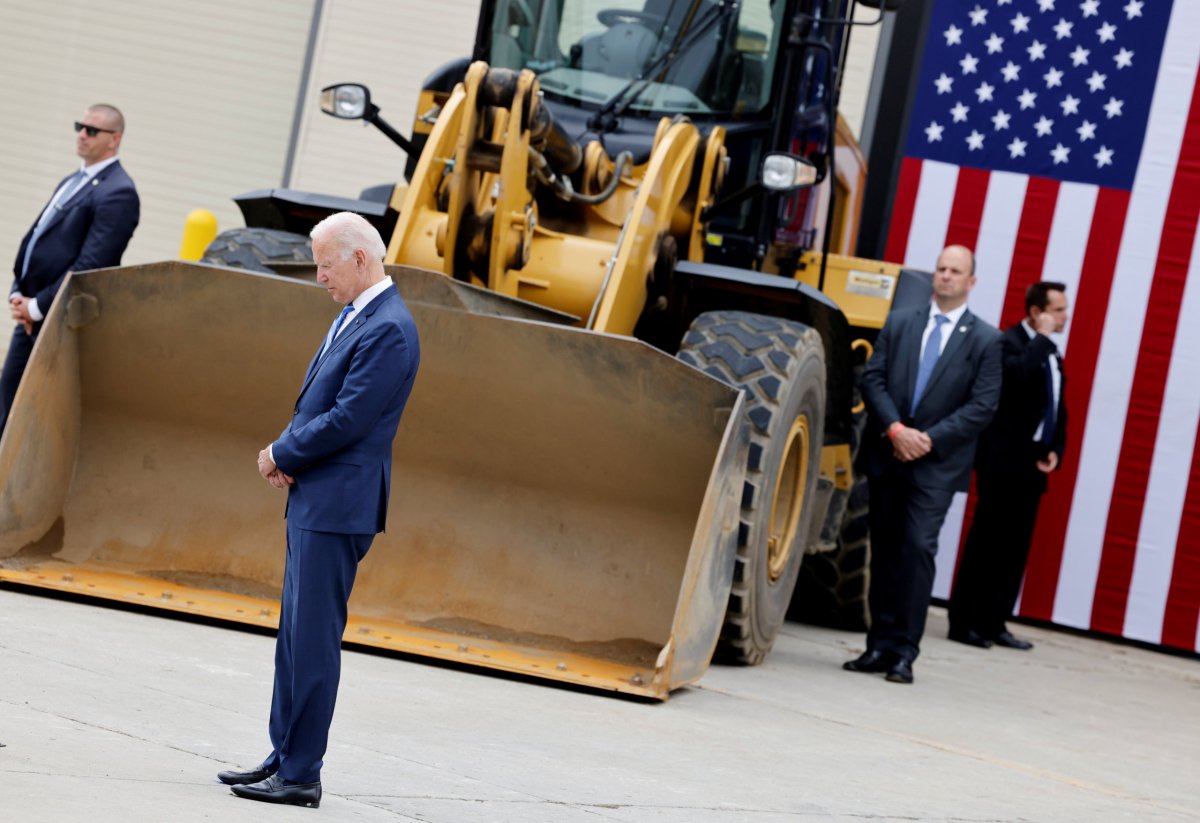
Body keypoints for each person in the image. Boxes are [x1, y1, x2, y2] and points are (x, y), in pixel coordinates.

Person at [217, 212, 420, 807]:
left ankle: (302, 773)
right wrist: (291, 455)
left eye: (324, 265)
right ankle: (283, 755)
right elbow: (316, 401)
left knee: (313, 640)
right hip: (318, 496)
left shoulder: (389, 328)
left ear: (360, 259)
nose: (318, 277)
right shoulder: (356, 316)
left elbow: (351, 419)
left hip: (339, 505)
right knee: (294, 636)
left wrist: (282, 451)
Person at [844, 244, 1002, 684]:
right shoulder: (899, 323)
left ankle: (903, 651)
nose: (946, 276)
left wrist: (928, 440)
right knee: (887, 549)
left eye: (956, 271)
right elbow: (873, 380)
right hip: (888, 452)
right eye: (941, 268)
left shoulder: (987, 340)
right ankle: (877, 645)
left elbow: (982, 406)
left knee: (917, 547)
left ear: (971, 282)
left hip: (936, 465)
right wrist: (896, 430)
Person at [2, 104, 139, 434]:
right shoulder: (73, 180)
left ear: (114, 139)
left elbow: (91, 266)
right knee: (7, 402)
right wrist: (19, 294)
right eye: (80, 126)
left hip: (61, 321)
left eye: (92, 130)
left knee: (35, 415)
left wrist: (37, 307)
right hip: (33, 315)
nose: (82, 134)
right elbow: (37, 238)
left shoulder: (118, 192)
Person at [948, 282, 1069, 651]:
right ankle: (965, 621)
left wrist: (1055, 447)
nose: (1065, 316)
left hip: (1032, 464)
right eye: (1059, 309)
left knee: (1015, 546)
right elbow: (1014, 380)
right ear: (1037, 312)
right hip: (1002, 461)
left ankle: (994, 620)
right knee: (988, 541)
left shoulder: (1049, 352)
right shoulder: (1010, 343)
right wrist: (1043, 340)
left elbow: (1056, 403)